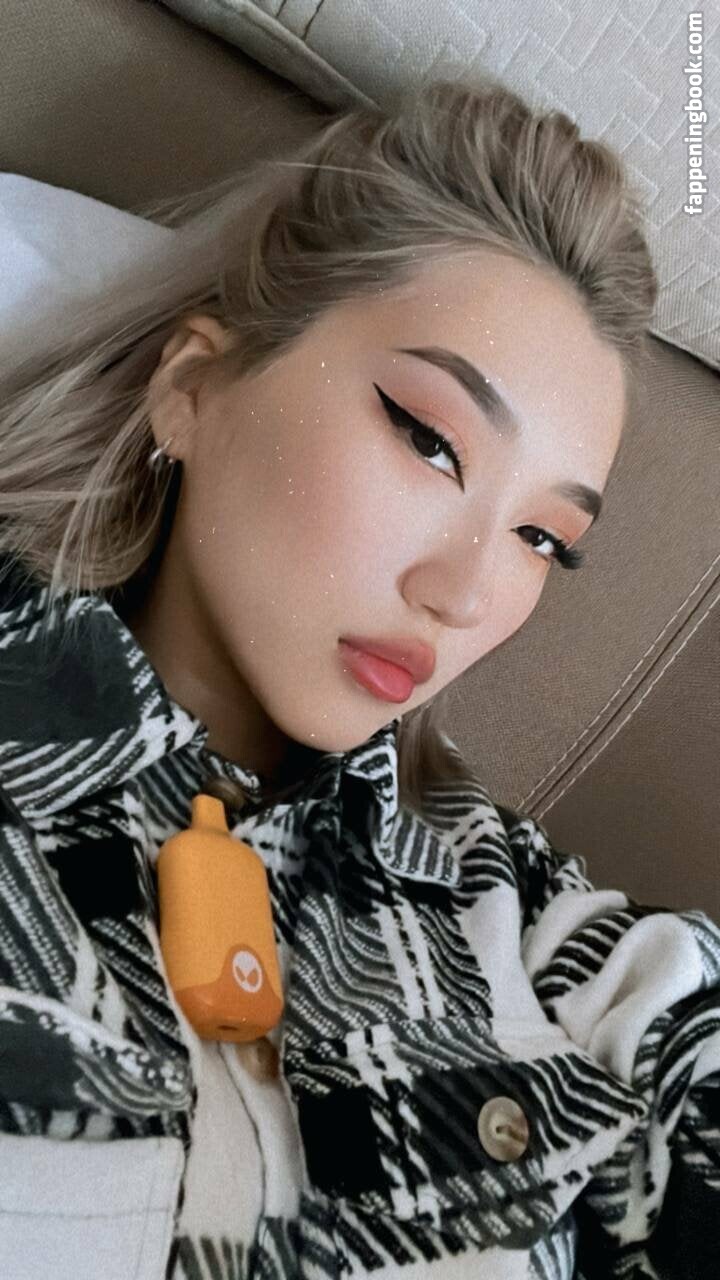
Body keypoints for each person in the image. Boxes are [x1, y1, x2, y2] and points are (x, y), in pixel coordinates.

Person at [0, 76, 717, 1280]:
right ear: (193, 387)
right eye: (431, 440)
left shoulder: (517, 911)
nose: (468, 591)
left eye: (544, 538)